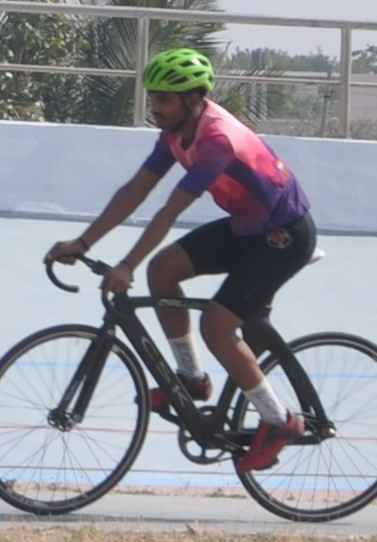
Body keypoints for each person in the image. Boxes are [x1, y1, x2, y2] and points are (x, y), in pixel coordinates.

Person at [48, 47, 315, 474]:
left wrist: (126, 266)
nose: (155, 107)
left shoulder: (217, 140)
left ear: (193, 99)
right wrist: (83, 242)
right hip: (248, 227)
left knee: (217, 323)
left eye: (163, 100)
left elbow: (168, 211)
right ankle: (192, 379)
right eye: (153, 97)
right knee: (164, 269)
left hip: (283, 237)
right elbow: (136, 190)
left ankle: (279, 421)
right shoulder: (175, 133)